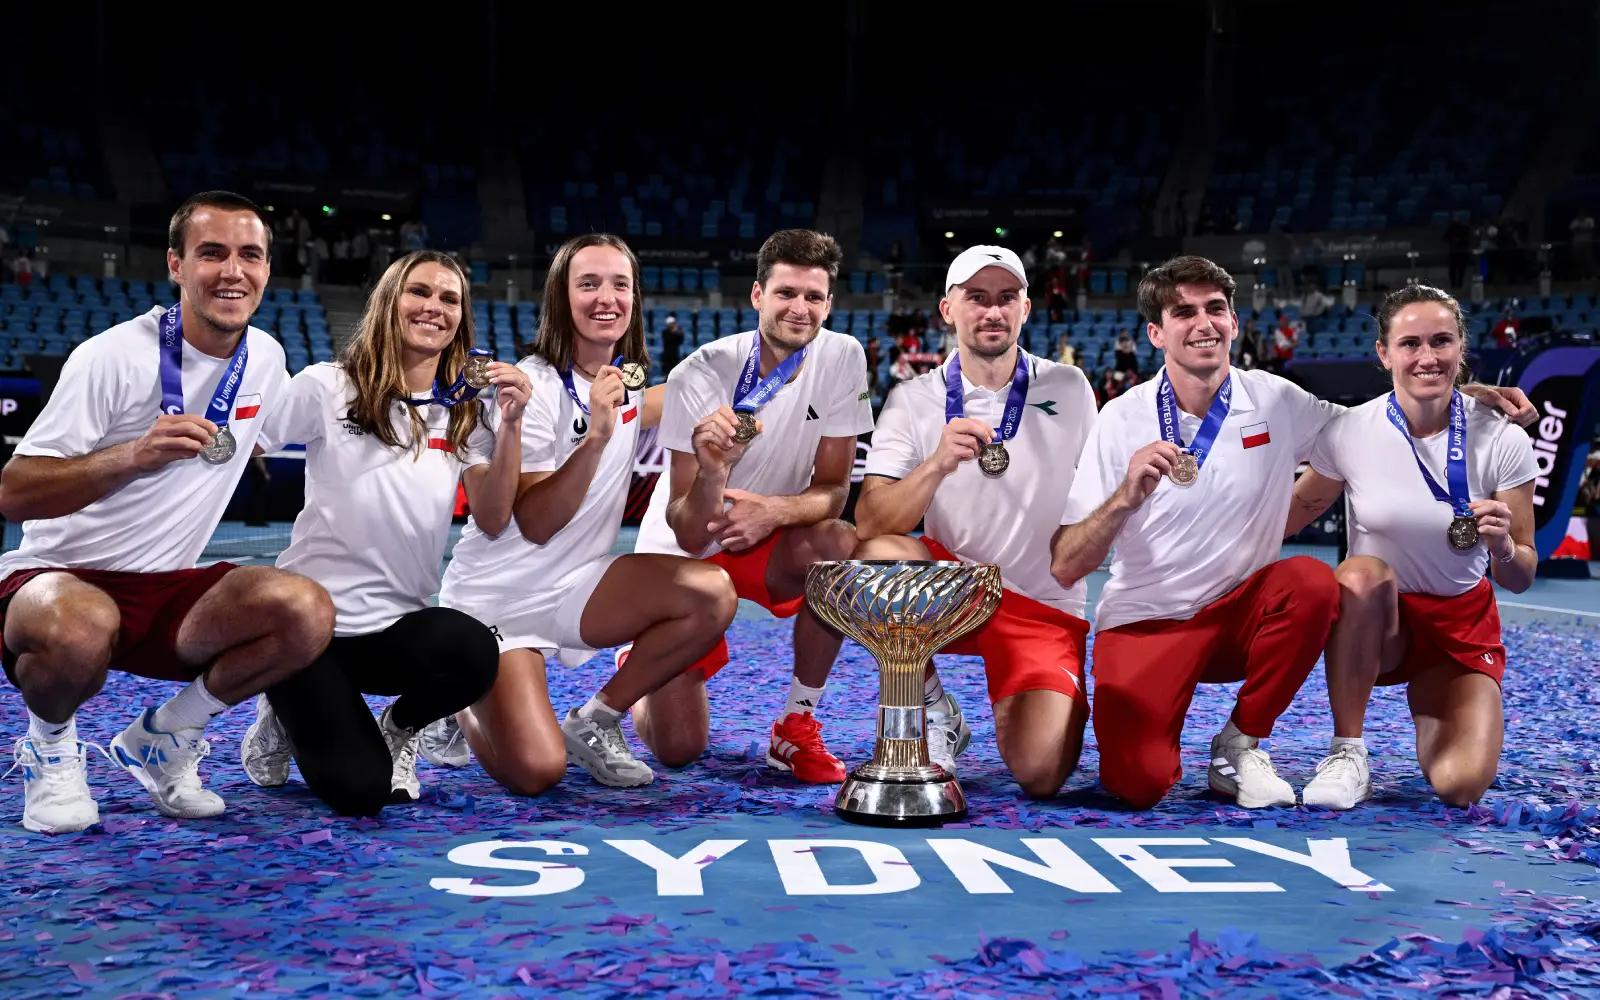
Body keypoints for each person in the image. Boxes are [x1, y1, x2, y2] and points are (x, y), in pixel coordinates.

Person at [1049, 255, 1535, 811]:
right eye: (1184, 312)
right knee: (1138, 783)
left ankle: (1240, 745)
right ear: (1156, 332)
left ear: (1234, 322)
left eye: (1216, 309)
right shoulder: (1119, 418)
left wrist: (1465, 394)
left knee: (1311, 584)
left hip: (1252, 614)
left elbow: (1395, 410)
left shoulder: (1277, 399)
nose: (1204, 323)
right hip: (1150, 618)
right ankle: (1311, 748)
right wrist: (1124, 498)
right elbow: (1065, 565)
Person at [0, 191, 334, 833]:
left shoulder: (266, 358)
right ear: (177, 264)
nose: (233, 271)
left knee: (305, 610)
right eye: (212, 253)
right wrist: (132, 456)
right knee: (80, 626)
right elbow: (13, 491)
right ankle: (50, 745)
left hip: (167, 589)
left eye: (250, 255)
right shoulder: (112, 357)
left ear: (267, 269)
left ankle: (166, 736)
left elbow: (268, 433)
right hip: (57, 581)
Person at [629, 228, 945, 783]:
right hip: (684, 553)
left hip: (767, 541)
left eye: (813, 296)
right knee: (679, 747)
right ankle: (640, 664)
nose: (800, 308)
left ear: (829, 303)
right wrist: (719, 478)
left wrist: (773, 513)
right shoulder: (700, 373)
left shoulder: (843, 357)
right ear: (758, 295)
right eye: (786, 293)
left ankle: (796, 724)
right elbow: (687, 530)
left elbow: (834, 490)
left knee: (838, 543)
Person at [430, 234, 737, 793]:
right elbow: (536, 524)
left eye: (620, 284)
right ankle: (456, 696)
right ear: (561, 297)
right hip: (499, 597)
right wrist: (596, 437)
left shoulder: (623, 383)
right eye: (588, 284)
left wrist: (771, 364)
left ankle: (597, 718)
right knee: (536, 772)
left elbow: (688, 391)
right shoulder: (535, 386)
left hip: (577, 587)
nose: (606, 298)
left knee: (710, 594)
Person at [237, 250, 525, 815]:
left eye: (449, 298)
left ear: (461, 319)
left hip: (394, 629)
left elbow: (492, 517)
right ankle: (280, 711)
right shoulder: (327, 386)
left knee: (474, 651)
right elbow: (249, 444)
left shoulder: (465, 411)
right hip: (310, 627)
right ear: (389, 301)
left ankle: (399, 729)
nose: (434, 306)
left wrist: (511, 424)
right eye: (419, 291)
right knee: (361, 793)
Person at [854, 247, 1098, 794]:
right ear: (948, 309)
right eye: (976, 297)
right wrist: (936, 465)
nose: (993, 311)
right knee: (878, 556)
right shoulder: (912, 398)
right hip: (955, 591)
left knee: (1042, 774)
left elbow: (1100, 496)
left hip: (1044, 604)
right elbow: (870, 521)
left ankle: (1035, 700)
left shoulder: (1069, 387)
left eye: (1006, 298)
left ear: (1025, 308)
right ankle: (932, 708)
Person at [1285, 284, 1538, 810]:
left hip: (1459, 628)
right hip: (1382, 625)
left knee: (1460, 784)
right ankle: (1348, 751)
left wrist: (1502, 547)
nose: (1427, 357)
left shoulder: (1504, 437)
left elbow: (1522, 576)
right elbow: (1289, 514)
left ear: (1461, 348)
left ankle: (1436, 702)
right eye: (1410, 343)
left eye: (1441, 341)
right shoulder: (1350, 430)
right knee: (1360, 573)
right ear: (1384, 353)